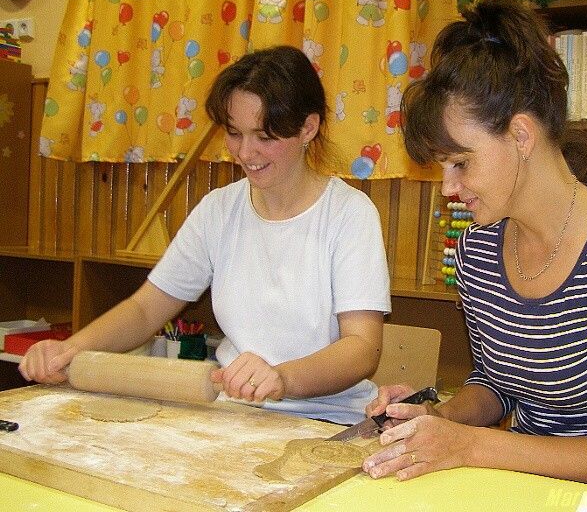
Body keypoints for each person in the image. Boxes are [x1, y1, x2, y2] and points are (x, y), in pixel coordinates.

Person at [361, 0, 587, 501]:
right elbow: (496, 385)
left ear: (521, 135)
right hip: (534, 479)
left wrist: (468, 446)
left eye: (460, 163)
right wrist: (435, 418)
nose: (448, 188)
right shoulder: (477, 249)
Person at [19, 45, 391, 425]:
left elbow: (362, 347)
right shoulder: (219, 210)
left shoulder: (349, 213)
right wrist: (70, 350)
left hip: (327, 419)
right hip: (235, 414)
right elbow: (146, 309)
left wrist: (282, 379)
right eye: (234, 133)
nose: (246, 152)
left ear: (308, 128)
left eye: (264, 136)